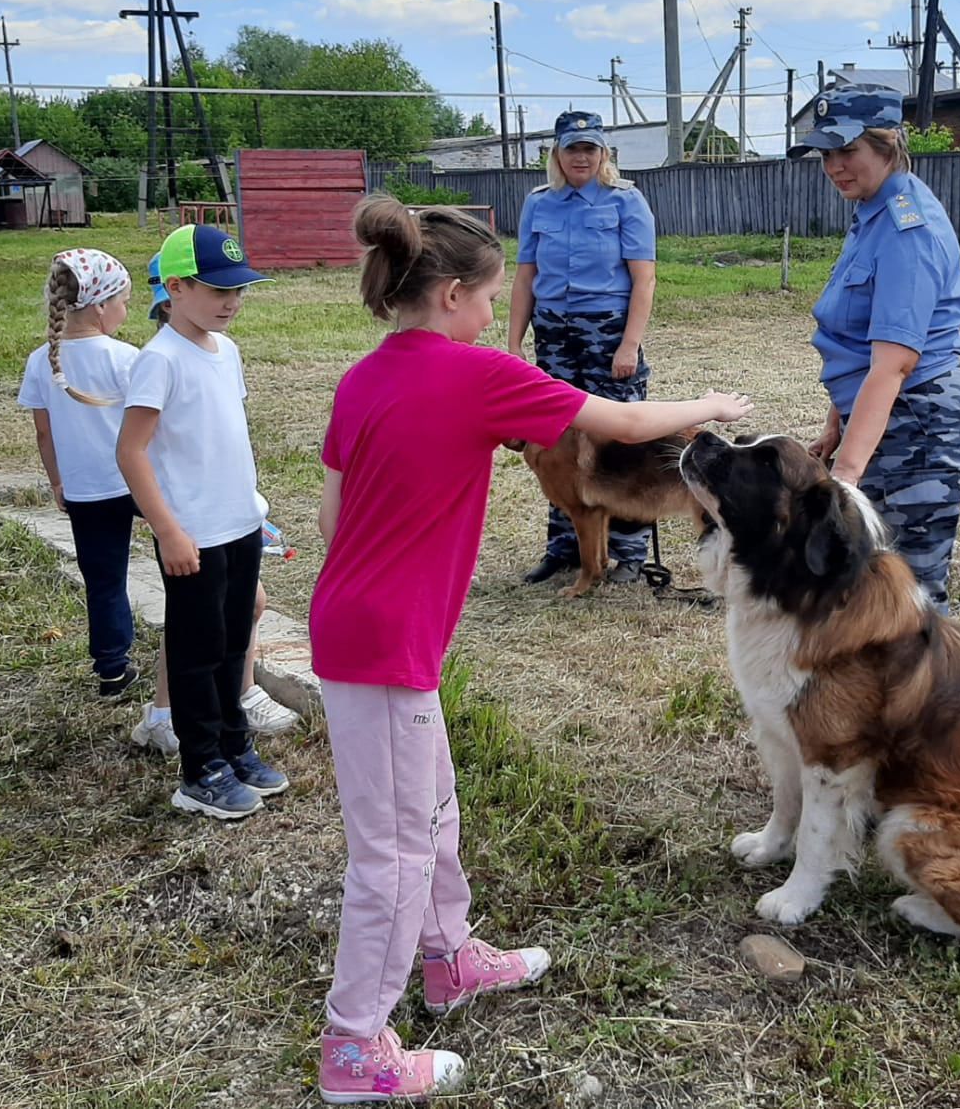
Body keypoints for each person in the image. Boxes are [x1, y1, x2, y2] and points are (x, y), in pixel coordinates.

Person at [311, 195, 752, 1102]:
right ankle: (355, 1046)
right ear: (449, 298)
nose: (496, 313)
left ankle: (449, 960)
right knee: (393, 848)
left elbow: (330, 515)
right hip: (385, 642)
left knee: (432, 807)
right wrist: (708, 404)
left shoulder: (360, 379)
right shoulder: (473, 374)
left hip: (366, 625)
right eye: (488, 297)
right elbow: (623, 424)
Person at [791, 85, 960, 613]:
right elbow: (858, 339)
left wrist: (845, 478)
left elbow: (894, 363)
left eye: (847, 151)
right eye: (826, 154)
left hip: (916, 427)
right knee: (868, 588)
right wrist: (837, 425)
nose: (834, 166)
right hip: (882, 421)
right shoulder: (871, 212)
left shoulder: (906, 228)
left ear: (888, 142)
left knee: (909, 598)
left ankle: (931, 696)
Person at [116, 224, 286, 820]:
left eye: (239, 289)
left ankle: (234, 746)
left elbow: (225, 438)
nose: (232, 301)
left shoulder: (227, 350)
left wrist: (254, 511)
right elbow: (131, 452)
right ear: (176, 287)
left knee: (235, 639)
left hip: (238, 527)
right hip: (192, 537)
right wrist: (168, 530)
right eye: (218, 290)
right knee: (196, 651)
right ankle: (201, 769)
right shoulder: (158, 360)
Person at [508, 109, 658, 585]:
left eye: (590, 148)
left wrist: (629, 344)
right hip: (554, 333)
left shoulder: (625, 201)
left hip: (607, 330)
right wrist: (514, 342)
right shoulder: (539, 203)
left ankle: (629, 552)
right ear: (557, 153)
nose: (582, 157)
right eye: (573, 148)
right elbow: (526, 277)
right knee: (554, 440)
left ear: (603, 153)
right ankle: (566, 547)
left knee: (622, 441)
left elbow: (644, 279)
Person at [17, 249, 141, 700]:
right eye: (125, 302)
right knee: (180, 556)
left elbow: (44, 435)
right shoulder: (127, 358)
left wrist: (56, 482)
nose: (126, 311)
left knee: (104, 579)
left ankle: (112, 670)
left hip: (86, 491)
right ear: (101, 305)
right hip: (140, 482)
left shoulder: (41, 361)